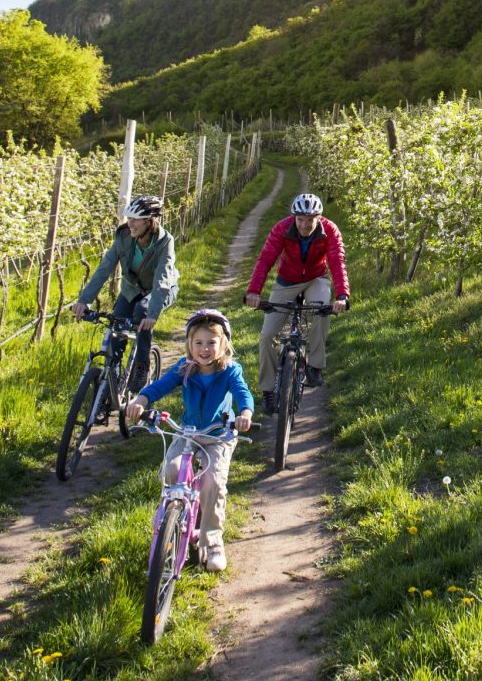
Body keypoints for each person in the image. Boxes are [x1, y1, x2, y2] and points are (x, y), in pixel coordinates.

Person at [126, 308, 253, 572]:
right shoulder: (185, 368)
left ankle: (212, 541)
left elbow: (243, 393)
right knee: (171, 472)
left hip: (218, 435)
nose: (204, 349)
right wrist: (141, 400)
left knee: (212, 483)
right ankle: (170, 519)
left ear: (223, 344)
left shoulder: (230, 370)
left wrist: (245, 413)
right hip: (188, 431)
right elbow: (160, 385)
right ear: (189, 345)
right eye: (198, 343)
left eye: (211, 343)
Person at [245, 192, 350, 413]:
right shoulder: (281, 229)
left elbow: (337, 261)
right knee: (267, 336)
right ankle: (268, 391)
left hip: (316, 278)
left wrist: (342, 296)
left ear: (319, 218)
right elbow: (265, 259)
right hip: (287, 281)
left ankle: (314, 366)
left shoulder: (329, 230)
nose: (304, 225)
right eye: (300, 219)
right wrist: (254, 291)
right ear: (294, 217)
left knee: (321, 310)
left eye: (310, 220)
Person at [71, 194, 178, 394]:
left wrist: (152, 315)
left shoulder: (165, 241)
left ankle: (141, 366)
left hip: (160, 291)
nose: (130, 223)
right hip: (131, 290)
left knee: (142, 312)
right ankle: (109, 384)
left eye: (135, 219)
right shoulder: (123, 237)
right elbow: (104, 269)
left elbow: (162, 279)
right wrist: (83, 301)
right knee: (116, 327)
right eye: (129, 218)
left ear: (150, 221)